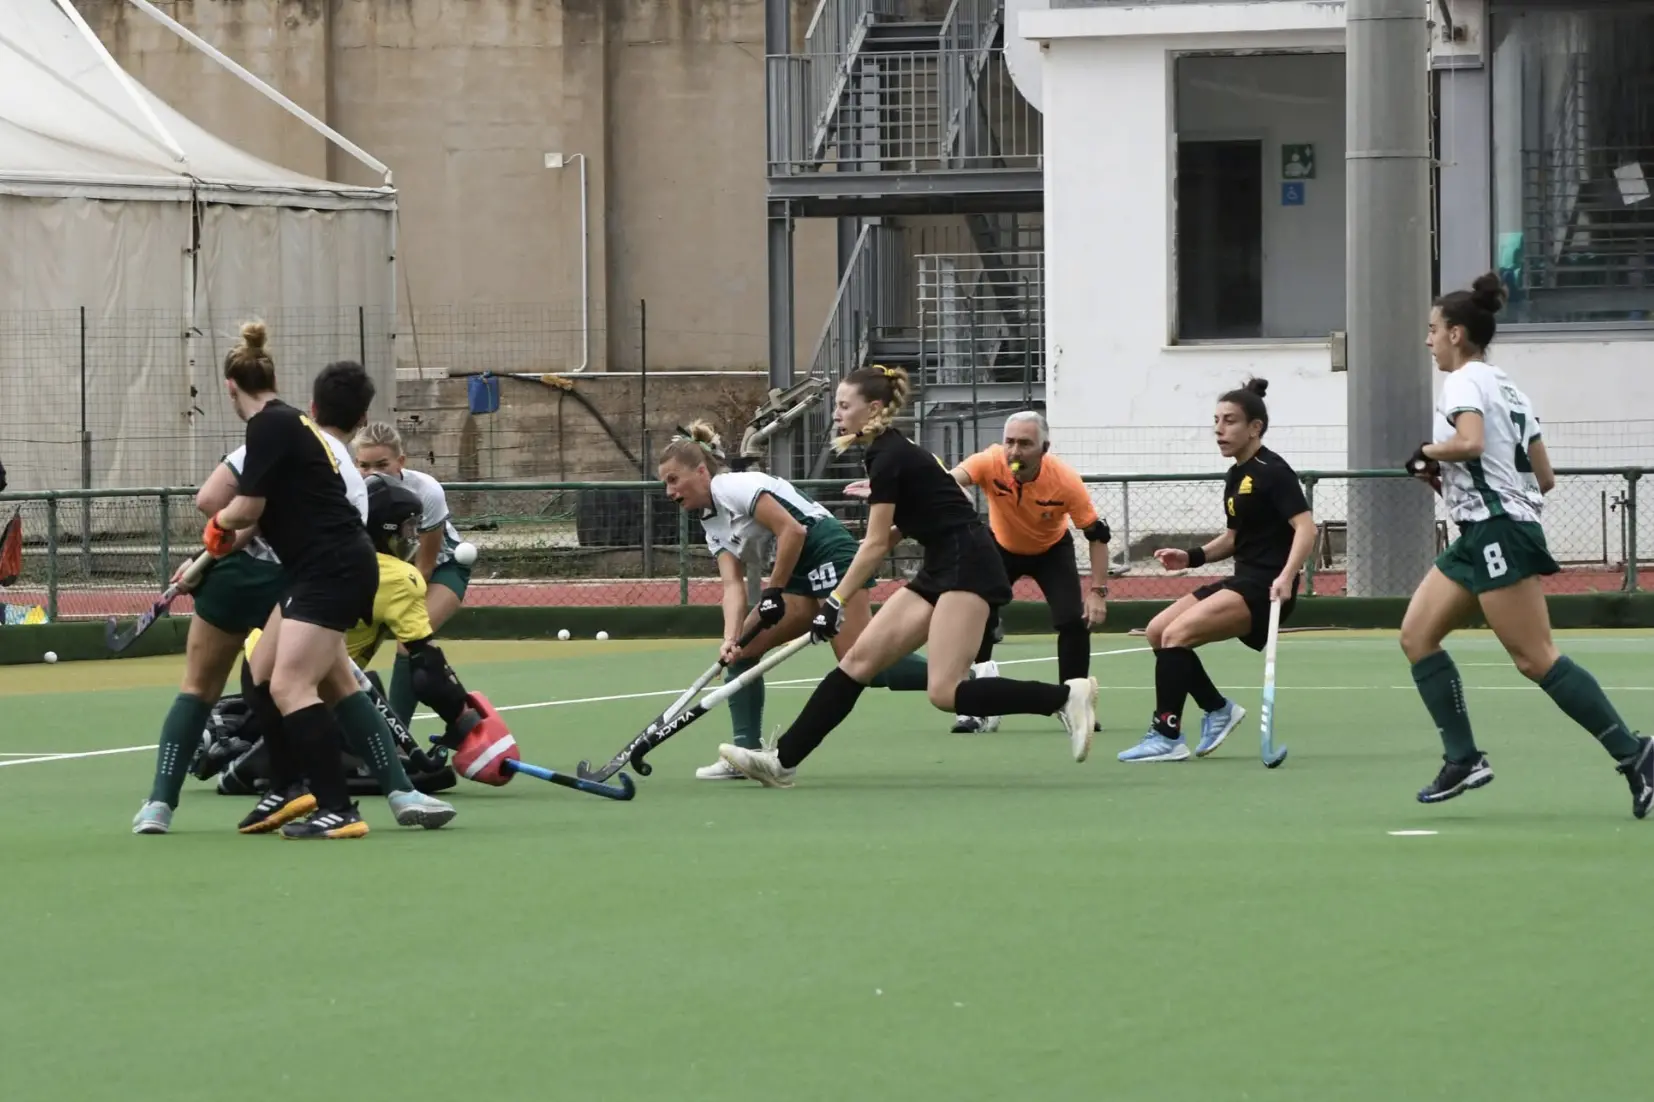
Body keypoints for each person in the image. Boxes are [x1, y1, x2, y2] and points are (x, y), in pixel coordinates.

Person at [717, 365, 1097, 788]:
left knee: (945, 692)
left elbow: (876, 544)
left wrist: (835, 602)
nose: (837, 414)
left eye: (845, 405)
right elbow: (908, 522)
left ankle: (1064, 697)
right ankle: (781, 762)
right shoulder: (887, 452)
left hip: (968, 564)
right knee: (858, 661)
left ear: (873, 408)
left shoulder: (889, 456)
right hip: (941, 564)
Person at [132, 349, 455, 834]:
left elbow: (216, 502)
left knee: (208, 685)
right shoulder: (344, 465)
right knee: (329, 682)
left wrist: (211, 550)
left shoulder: (271, 434)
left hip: (272, 574)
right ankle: (391, 790)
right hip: (303, 572)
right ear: (362, 418)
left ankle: (163, 804)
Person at [1401, 273, 1651, 814]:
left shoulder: (1464, 382)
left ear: (1458, 335)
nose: (1429, 341)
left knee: (1535, 658)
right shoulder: (1509, 385)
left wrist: (1427, 450)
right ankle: (1463, 758)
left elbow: (1470, 443)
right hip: (1483, 530)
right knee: (1417, 636)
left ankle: (1635, 754)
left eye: (1433, 330)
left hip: (1499, 532)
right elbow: (1543, 477)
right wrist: (1450, 479)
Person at [658, 421, 930, 780]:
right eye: (665, 483)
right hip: (798, 570)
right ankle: (747, 752)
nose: (668, 491)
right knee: (743, 650)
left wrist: (773, 590)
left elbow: (793, 530)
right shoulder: (711, 522)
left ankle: (960, 676)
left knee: (864, 664)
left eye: (673, 479)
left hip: (827, 550)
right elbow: (732, 587)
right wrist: (730, 636)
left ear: (701, 471)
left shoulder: (735, 487)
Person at [204, 329, 385, 841]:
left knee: (290, 685)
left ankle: (337, 806)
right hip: (316, 566)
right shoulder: (287, 424)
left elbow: (246, 509)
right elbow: (262, 519)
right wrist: (211, 551)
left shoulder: (268, 427)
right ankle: (287, 787)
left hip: (334, 566)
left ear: (230, 387)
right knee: (259, 676)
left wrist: (216, 528)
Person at [1118, 378, 1316, 763]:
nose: (1219, 430)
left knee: (1177, 635)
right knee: (1159, 632)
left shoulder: (1273, 471)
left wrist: (1287, 576)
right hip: (1242, 579)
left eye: (1229, 421)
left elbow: (1306, 528)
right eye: (1216, 421)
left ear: (1254, 427)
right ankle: (1218, 708)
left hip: (1265, 587)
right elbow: (1232, 538)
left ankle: (1167, 734)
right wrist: (1190, 557)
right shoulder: (1236, 475)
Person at [946, 411, 1111, 733]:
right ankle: (975, 706)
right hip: (1000, 547)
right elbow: (951, 479)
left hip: (1050, 550)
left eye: (1025, 444)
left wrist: (1098, 591)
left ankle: (1073, 702)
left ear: (1044, 448)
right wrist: (953, 488)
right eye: (1009, 442)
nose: (1014, 452)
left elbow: (1097, 535)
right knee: (978, 617)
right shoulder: (990, 461)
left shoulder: (1064, 480)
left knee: (1072, 621)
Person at [353, 422, 471, 729]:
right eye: (363, 465)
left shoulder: (426, 491)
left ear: (400, 462)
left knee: (409, 641)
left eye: (382, 464)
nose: (371, 473)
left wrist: (393, 612)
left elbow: (424, 566)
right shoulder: (351, 491)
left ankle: (398, 736)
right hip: (388, 575)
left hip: (440, 569)